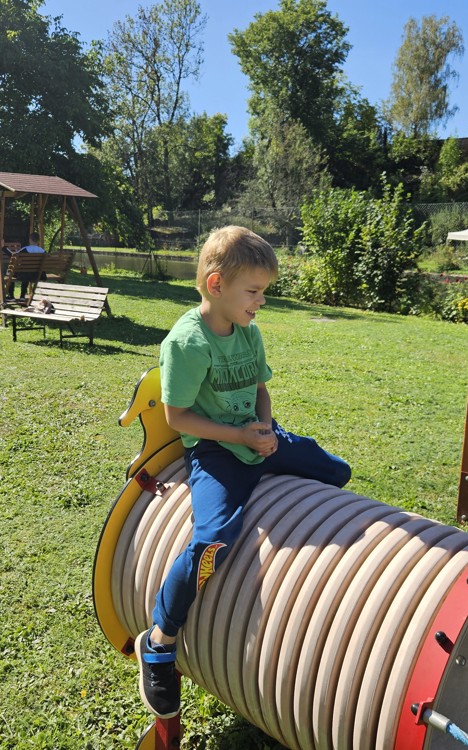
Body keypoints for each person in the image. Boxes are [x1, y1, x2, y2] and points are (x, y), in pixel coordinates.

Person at [135, 225, 351, 719]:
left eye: (263, 292)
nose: (261, 302)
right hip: (216, 452)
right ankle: (160, 640)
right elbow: (178, 418)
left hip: (255, 437)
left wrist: (266, 427)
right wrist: (240, 437)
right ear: (216, 285)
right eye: (253, 291)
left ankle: (272, 475)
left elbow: (260, 389)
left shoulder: (248, 332)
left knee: (336, 472)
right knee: (213, 540)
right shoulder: (187, 343)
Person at [16, 232, 46, 301]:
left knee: (25, 271)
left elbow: (15, 258)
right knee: (27, 271)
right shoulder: (43, 251)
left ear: (30, 240)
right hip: (38, 275)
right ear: (38, 241)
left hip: (25, 275)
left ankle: (22, 296)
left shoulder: (24, 250)